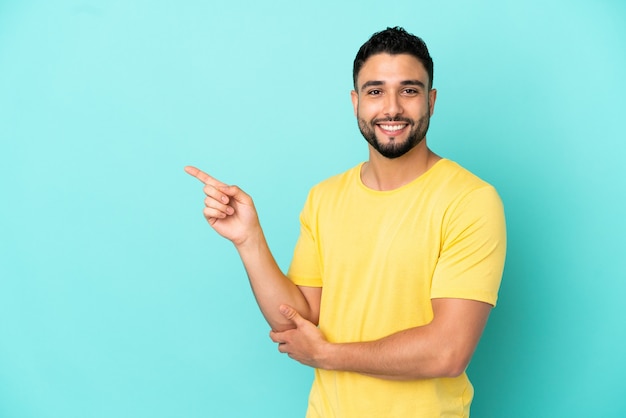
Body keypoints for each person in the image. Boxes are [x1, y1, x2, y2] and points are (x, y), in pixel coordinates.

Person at [185, 26, 506, 418]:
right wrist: (248, 239)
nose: (391, 108)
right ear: (355, 102)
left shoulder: (470, 200)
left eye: (409, 90)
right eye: (375, 91)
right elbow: (298, 321)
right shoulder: (324, 198)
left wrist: (328, 355)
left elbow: (447, 352)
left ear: (431, 101)